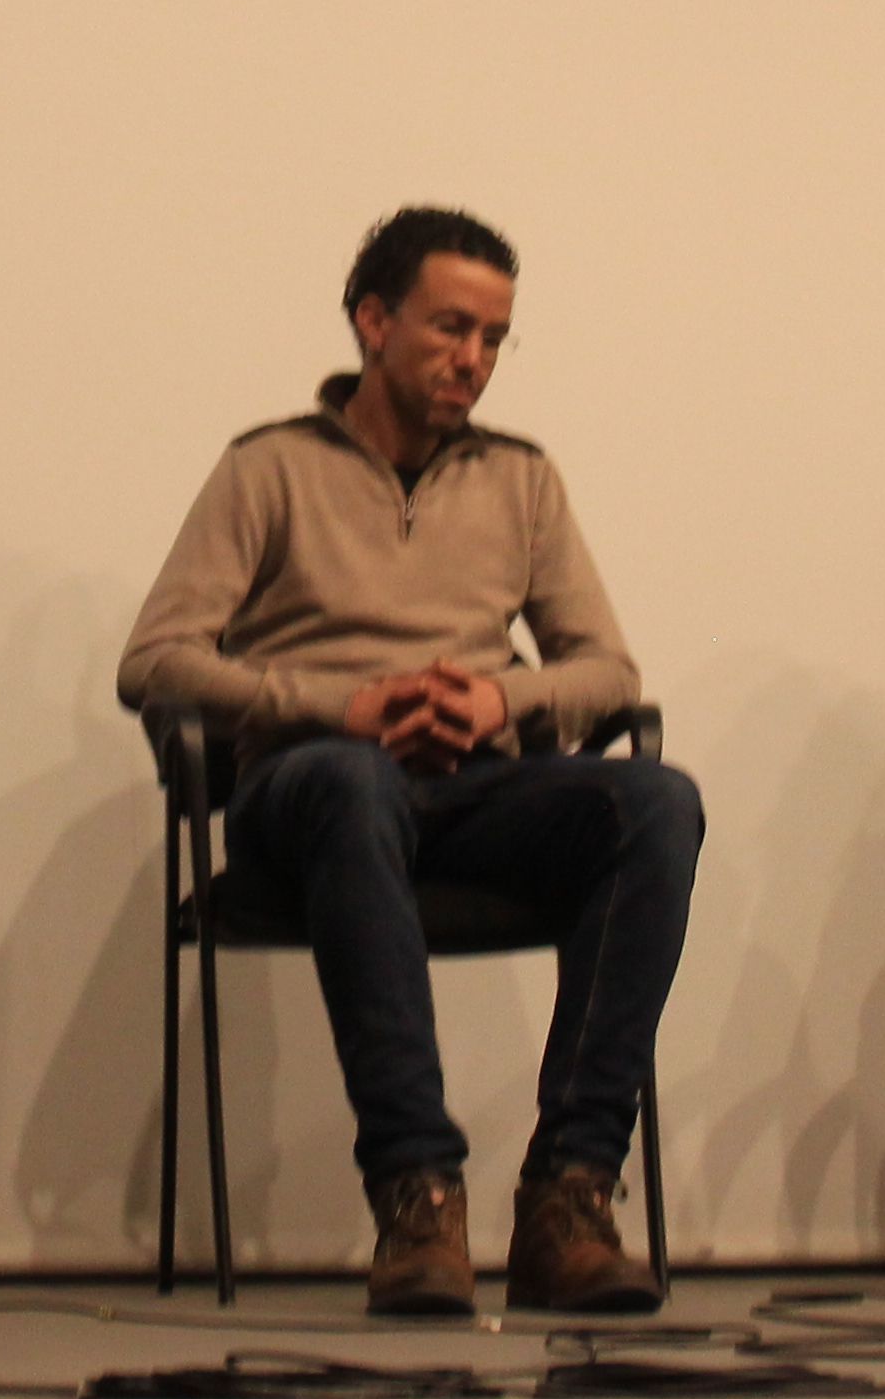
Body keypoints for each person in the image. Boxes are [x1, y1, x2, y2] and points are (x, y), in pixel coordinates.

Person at [117, 206, 702, 1320]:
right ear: (373, 322)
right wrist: (342, 706)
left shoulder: (521, 479)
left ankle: (570, 1193)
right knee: (354, 779)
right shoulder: (269, 466)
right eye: (450, 329)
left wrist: (497, 701)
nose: (473, 359)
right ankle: (418, 1194)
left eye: (494, 338)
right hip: (309, 787)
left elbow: (606, 670)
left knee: (656, 802)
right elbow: (155, 661)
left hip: (470, 786)